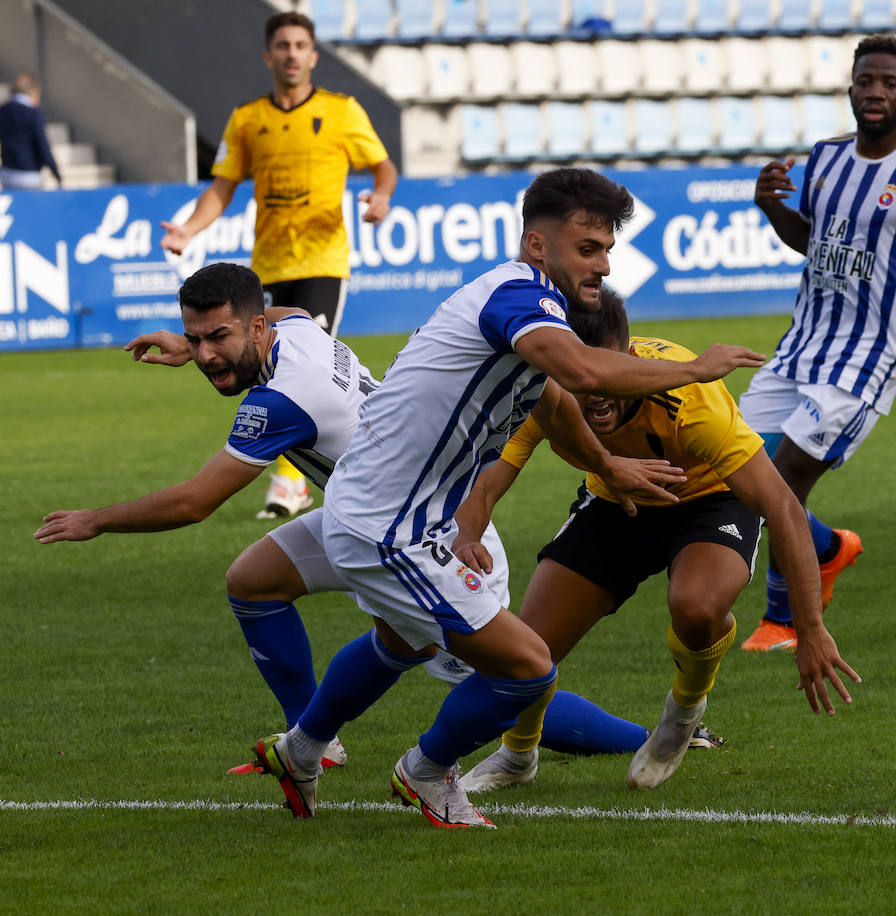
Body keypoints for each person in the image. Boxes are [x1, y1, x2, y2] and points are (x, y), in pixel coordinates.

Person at [252, 167, 767, 828]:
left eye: (608, 249)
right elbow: (577, 371)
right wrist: (694, 368)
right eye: (589, 248)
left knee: (401, 641)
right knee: (528, 669)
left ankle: (300, 749)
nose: (604, 264)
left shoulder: (529, 309)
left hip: (397, 512)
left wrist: (609, 464)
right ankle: (426, 773)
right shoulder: (517, 296)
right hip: (387, 523)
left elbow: (555, 411)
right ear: (537, 246)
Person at [33, 261, 676, 773]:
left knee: (511, 678)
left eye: (217, 338)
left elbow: (196, 501)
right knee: (254, 581)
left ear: (255, 329)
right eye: (197, 339)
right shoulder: (295, 330)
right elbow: (282, 309)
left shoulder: (284, 400)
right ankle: (311, 743)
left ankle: (652, 738)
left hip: (429, 531)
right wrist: (194, 340)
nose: (204, 356)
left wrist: (97, 519)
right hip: (364, 513)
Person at [454, 288, 860, 794]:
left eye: (610, 368)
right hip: (614, 503)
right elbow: (495, 472)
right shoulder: (541, 390)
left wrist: (810, 628)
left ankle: (682, 715)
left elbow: (782, 507)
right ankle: (517, 756)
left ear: (629, 357)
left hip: (709, 500)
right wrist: (467, 533)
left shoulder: (690, 401)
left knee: (695, 607)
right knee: (527, 647)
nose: (597, 390)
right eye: (583, 375)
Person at [739, 34, 896, 651]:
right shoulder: (823, 159)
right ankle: (826, 548)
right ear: (851, 86)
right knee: (728, 467)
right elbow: (816, 246)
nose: (876, 93)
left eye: (890, 84)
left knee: (783, 477)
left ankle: (784, 621)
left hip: (864, 364)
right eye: (866, 81)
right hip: (800, 348)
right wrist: (771, 209)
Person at [160, 10, 398, 520]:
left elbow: (383, 165)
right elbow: (222, 186)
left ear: (313, 56)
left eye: (300, 46)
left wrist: (380, 196)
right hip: (265, 266)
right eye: (282, 46)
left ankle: (292, 483)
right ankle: (299, 472)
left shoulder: (342, 111)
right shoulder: (247, 119)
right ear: (269, 57)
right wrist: (188, 230)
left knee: (304, 367)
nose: (291, 54)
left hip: (323, 261)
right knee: (261, 366)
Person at [0, 73, 61, 190]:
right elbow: (42, 145)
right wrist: (55, 171)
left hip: (7, 173)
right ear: (33, 92)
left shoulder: (2, 111)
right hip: (30, 174)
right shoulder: (33, 114)